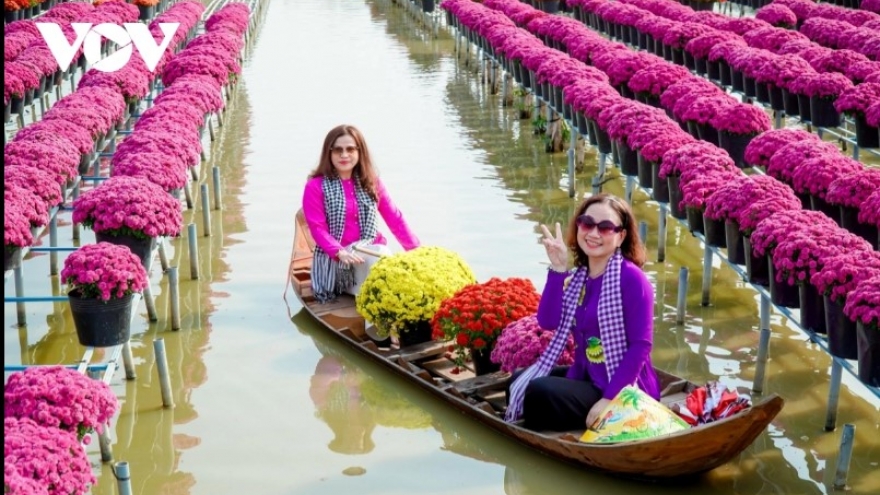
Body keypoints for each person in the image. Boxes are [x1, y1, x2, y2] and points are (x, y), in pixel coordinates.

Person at [505, 193, 659, 431]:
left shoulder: (632, 279)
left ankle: (549, 440)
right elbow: (548, 321)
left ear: (621, 237)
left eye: (606, 227)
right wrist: (558, 269)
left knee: (539, 391)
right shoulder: (579, 278)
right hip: (588, 374)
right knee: (519, 381)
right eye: (587, 224)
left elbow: (641, 345)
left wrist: (609, 399)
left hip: (624, 386)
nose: (594, 233)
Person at [302, 124, 420, 303]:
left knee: (384, 258)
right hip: (338, 261)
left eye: (350, 149)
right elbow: (317, 228)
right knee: (380, 263)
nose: (344, 155)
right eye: (337, 150)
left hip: (372, 253)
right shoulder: (315, 186)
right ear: (329, 153)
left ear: (359, 152)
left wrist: (417, 252)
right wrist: (339, 252)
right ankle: (375, 326)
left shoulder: (371, 182)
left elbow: (395, 219)